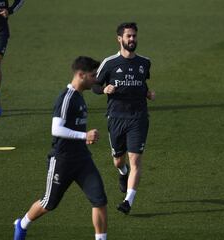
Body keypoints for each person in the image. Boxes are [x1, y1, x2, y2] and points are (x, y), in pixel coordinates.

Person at [13, 56, 108, 240]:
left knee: (100, 200)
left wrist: (85, 138)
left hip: (82, 160)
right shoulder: (67, 97)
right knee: (49, 203)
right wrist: (84, 135)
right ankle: (22, 223)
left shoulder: (80, 97)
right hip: (62, 161)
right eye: (93, 75)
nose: (96, 78)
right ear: (81, 75)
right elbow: (56, 129)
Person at [93, 22, 155, 214]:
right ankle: (122, 172)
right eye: (128, 36)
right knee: (119, 161)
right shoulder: (109, 63)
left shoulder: (145, 63)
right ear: (119, 39)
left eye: (134, 36)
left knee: (135, 160)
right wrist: (104, 89)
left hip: (138, 118)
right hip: (116, 118)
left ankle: (128, 201)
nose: (132, 39)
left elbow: (141, 84)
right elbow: (94, 85)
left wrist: (147, 93)